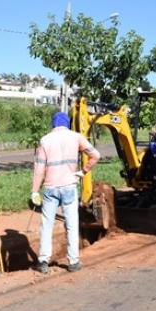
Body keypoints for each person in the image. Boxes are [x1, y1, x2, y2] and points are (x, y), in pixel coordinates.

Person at [31, 111, 101, 274]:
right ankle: (73, 261)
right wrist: (83, 172)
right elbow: (95, 155)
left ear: (53, 124)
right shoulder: (76, 137)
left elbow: (39, 168)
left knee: (47, 225)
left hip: (50, 187)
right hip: (69, 186)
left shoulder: (45, 140)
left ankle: (42, 261)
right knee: (71, 223)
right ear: (67, 123)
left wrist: (35, 191)